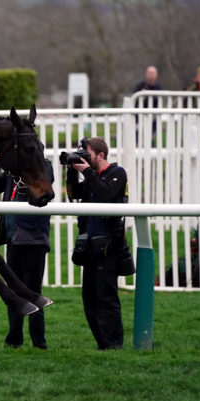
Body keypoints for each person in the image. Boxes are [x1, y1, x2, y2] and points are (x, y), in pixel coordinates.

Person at [65, 137, 133, 350]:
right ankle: (103, 344)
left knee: (106, 299)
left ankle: (114, 344)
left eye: (87, 154)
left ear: (100, 155)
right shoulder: (93, 178)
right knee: (90, 300)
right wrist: (71, 170)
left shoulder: (117, 173)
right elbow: (73, 194)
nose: (84, 157)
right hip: (89, 247)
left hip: (108, 248)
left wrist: (87, 173)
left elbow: (106, 195)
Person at [0, 158, 54, 350]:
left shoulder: (43, 165)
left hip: (33, 240)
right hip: (13, 240)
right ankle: (14, 340)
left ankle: (39, 343)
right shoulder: (11, 173)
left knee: (33, 292)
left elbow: (45, 180)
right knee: (14, 292)